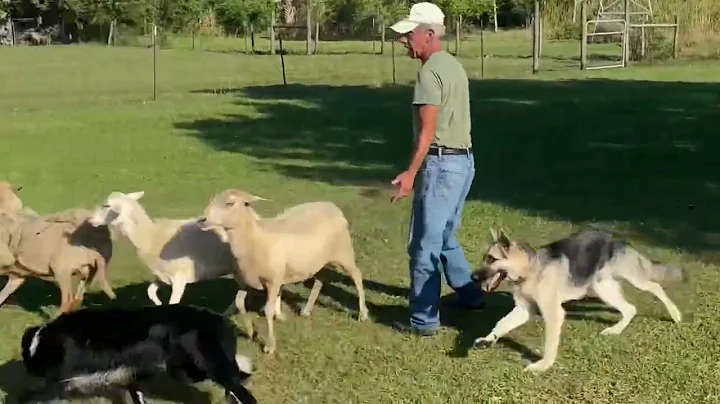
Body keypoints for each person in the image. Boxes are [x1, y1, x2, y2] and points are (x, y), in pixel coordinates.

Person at [389, 2, 485, 336]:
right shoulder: (452, 65)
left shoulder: (429, 73)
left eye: (409, 34)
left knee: (423, 244)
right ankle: (472, 294)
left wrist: (410, 174)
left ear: (429, 34)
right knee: (443, 235)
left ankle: (423, 320)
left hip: (442, 166)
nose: (404, 41)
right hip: (463, 163)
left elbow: (428, 131)